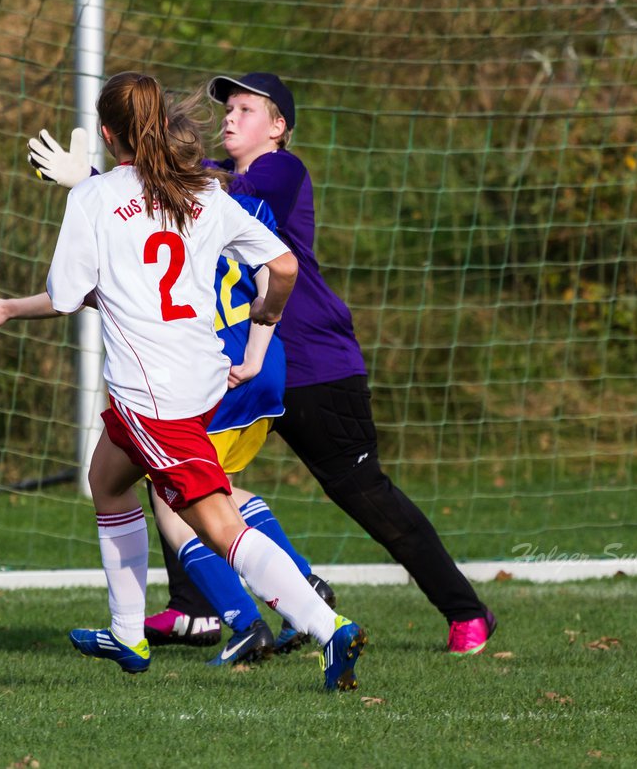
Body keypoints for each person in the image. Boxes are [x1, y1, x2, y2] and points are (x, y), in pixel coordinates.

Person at [0, 71, 365, 691]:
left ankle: (326, 624)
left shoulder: (94, 199)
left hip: (155, 397)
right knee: (107, 479)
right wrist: (264, 323)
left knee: (219, 524)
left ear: (106, 133)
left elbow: (67, 297)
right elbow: (281, 266)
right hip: (194, 379)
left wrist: (20, 305)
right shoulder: (202, 190)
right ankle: (126, 633)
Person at [166, 70, 495, 656]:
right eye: (229, 109)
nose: (231, 117)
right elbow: (156, 210)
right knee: (177, 467)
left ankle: (466, 611)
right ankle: (203, 609)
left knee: (363, 492)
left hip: (316, 364)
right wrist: (96, 181)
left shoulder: (277, 171)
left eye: (246, 109)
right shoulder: (211, 183)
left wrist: (159, 176)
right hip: (247, 365)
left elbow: (211, 201)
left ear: (278, 127)